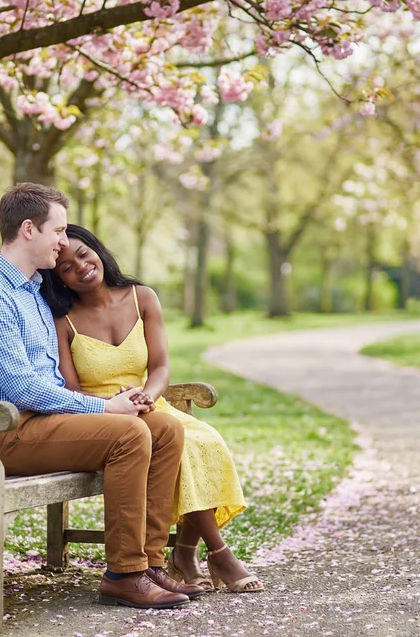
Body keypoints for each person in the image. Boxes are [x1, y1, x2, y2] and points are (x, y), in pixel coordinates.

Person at [0, 183, 207, 609]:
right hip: (4, 434)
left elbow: (52, 380)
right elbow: (20, 389)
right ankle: (124, 575)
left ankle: (148, 563)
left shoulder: (32, 291)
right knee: (129, 434)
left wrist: (122, 399)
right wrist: (106, 407)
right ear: (30, 230)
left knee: (163, 428)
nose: (62, 240)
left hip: (42, 424)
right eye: (58, 231)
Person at [40, 224, 264, 594]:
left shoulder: (141, 297)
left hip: (150, 405)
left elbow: (160, 366)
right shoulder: (62, 321)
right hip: (102, 418)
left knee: (203, 441)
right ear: (59, 280)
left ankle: (187, 552)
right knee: (183, 446)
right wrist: (113, 408)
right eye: (65, 267)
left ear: (98, 250)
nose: (79, 267)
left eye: (83, 254)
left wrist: (146, 396)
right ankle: (217, 554)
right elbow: (71, 389)